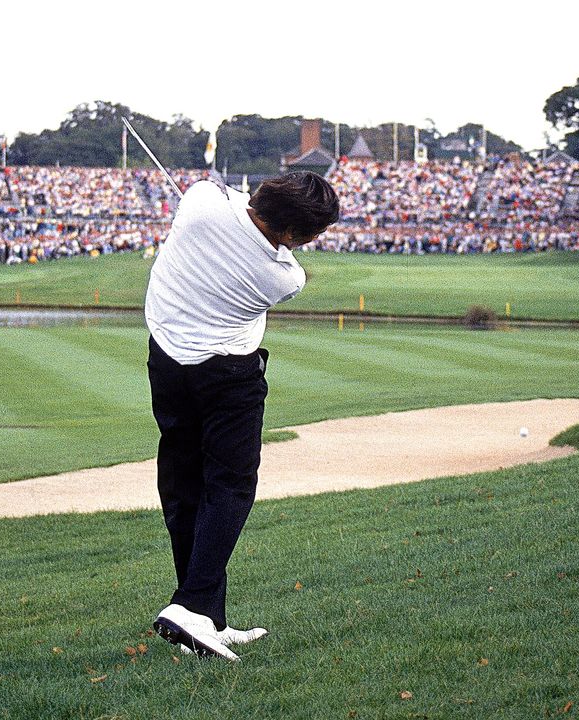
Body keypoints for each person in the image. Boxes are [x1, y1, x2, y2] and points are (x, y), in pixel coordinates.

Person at [144, 171, 339, 661]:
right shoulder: (285, 276)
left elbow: (218, 190)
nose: (312, 245)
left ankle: (209, 618)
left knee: (184, 486)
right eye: (312, 236)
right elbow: (266, 243)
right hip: (228, 377)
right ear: (292, 235)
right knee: (230, 486)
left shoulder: (200, 202)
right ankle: (190, 607)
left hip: (166, 364)